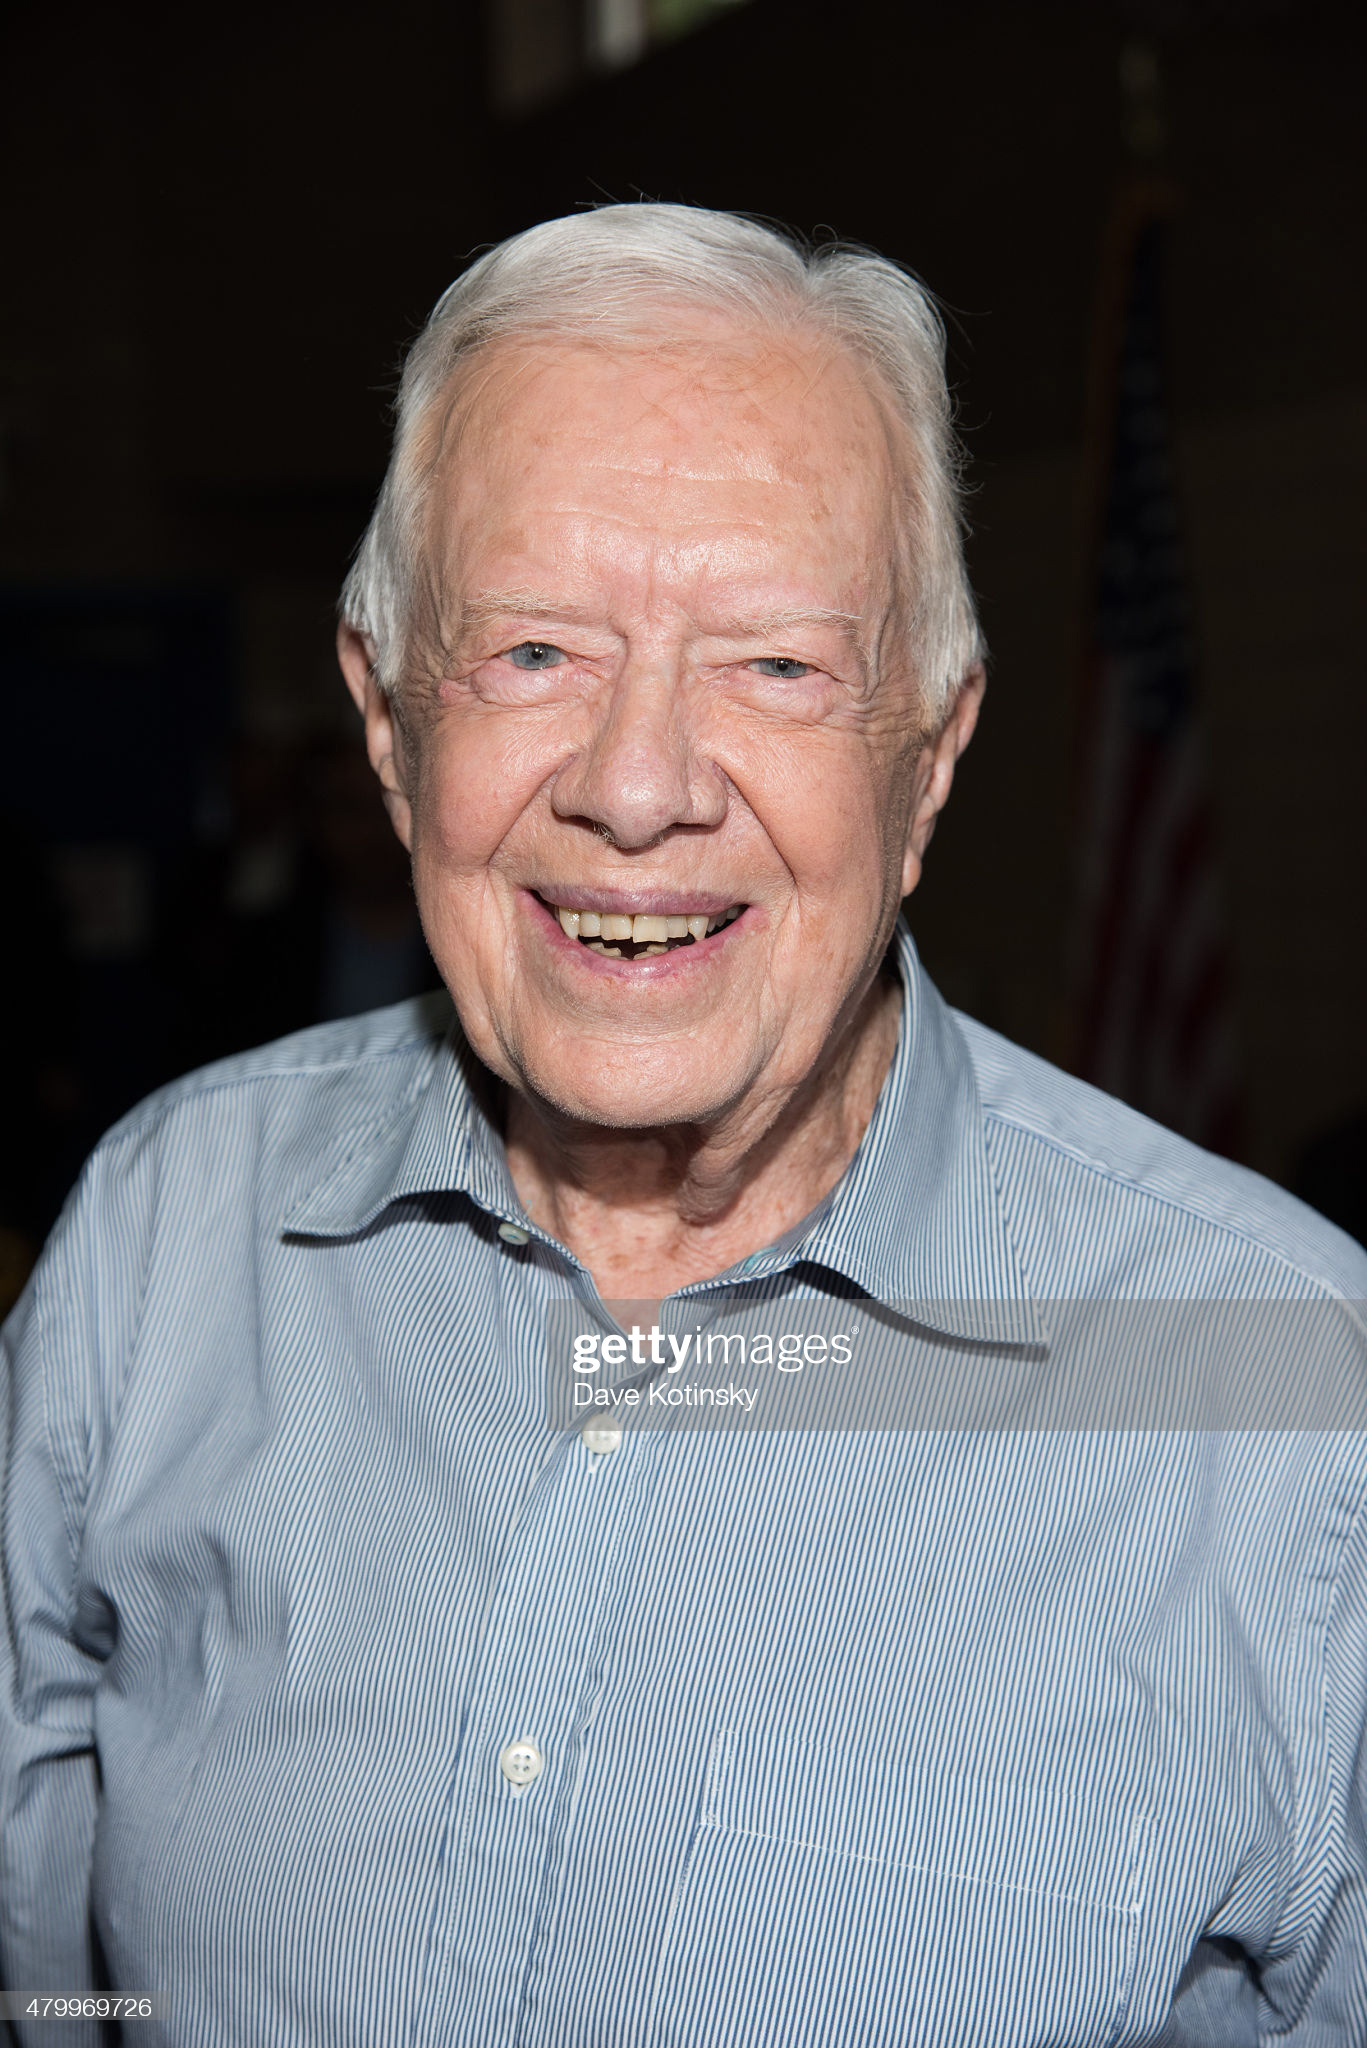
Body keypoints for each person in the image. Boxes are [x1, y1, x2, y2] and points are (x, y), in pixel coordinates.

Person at [2, 205, 1365, 2047]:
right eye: (535, 653)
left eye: (777, 665)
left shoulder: (1289, 1408)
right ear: (390, 722)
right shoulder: (164, 1247)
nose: (637, 790)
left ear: (931, 755)